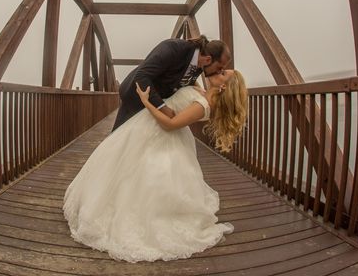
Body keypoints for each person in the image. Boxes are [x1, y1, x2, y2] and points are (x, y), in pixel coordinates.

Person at [63, 67, 248, 262]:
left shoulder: (203, 104)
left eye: (222, 74)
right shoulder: (203, 92)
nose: (218, 71)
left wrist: (146, 102)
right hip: (150, 129)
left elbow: (169, 124)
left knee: (146, 175)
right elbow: (185, 77)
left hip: (159, 131)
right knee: (131, 171)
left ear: (225, 85)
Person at [112, 35, 231, 131]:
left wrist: (199, 90)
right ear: (209, 59)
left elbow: (183, 79)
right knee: (120, 141)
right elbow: (142, 76)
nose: (219, 72)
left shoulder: (201, 64)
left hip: (154, 107)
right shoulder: (173, 48)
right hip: (135, 99)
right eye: (219, 67)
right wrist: (163, 108)